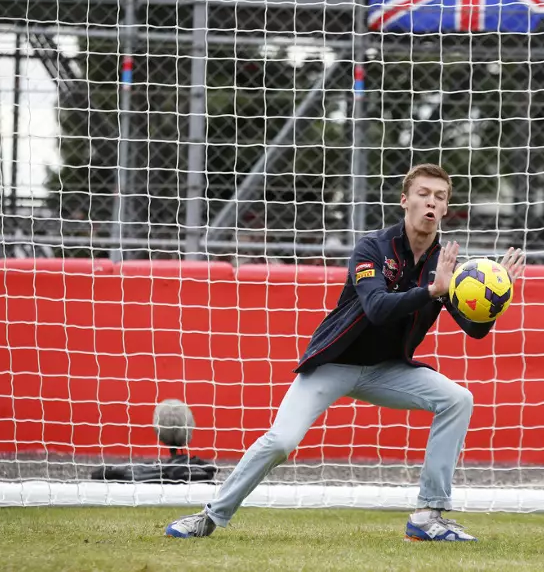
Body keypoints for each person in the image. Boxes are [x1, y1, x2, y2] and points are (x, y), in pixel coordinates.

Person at [165, 164, 525, 542]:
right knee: (282, 441)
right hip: (334, 363)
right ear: (405, 201)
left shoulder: (446, 265)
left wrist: (495, 299)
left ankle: (427, 515)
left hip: (386, 370)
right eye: (423, 194)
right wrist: (431, 291)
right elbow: (377, 308)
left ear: (446, 208)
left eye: (439, 197)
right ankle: (210, 516)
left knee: (457, 399)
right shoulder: (373, 247)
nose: (430, 203)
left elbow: (474, 331)